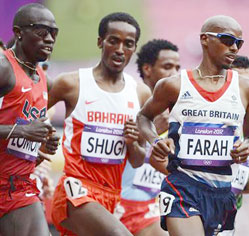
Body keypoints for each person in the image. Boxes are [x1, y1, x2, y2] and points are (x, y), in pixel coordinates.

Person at [137, 15, 249, 236]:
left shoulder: (247, 89)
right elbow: (143, 117)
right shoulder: (173, 85)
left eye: (238, 43)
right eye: (227, 40)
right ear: (204, 39)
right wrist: (155, 140)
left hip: (223, 192)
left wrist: (248, 148)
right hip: (182, 185)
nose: (234, 48)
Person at [48, 12, 150, 235]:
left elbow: (137, 159)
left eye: (128, 44)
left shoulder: (140, 93)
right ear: (100, 41)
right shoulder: (71, 83)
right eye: (113, 40)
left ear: (134, 49)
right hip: (75, 190)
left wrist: (133, 143)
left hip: (111, 196)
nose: (120, 49)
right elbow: (33, 114)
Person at [0, 3, 60, 236]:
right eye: (41, 32)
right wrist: (22, 132)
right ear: (18, 32)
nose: (49, 39)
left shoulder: (43, 78)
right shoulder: (4, 67)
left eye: (54, 33)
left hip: (19, 187)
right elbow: (20, 130)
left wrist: (40, 144)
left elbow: (25, 132)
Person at [117, 39, 180, 236]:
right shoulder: (128, 100)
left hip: (156, 205)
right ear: (147, 69)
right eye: (167, 67)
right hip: (122, 201)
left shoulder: (180, 113)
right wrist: (152, 131)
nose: (174, 74)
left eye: (178, 68)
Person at [218, 55, 249, 236]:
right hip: (198, 207)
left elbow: (243, 181)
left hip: (229, 214)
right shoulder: (208, 121)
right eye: (239, 82)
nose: (246, 89)